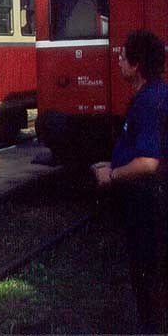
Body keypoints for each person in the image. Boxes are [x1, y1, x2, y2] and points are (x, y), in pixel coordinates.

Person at [92, 30, 168, 333]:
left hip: (149, 205)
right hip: (151, 202)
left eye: (123, 57)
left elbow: (148, 163)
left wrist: (112, 174)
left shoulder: (149, 101)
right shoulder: (154, 94)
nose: (119, 62)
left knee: (148, 274)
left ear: (136, 66)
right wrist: (114, 162)